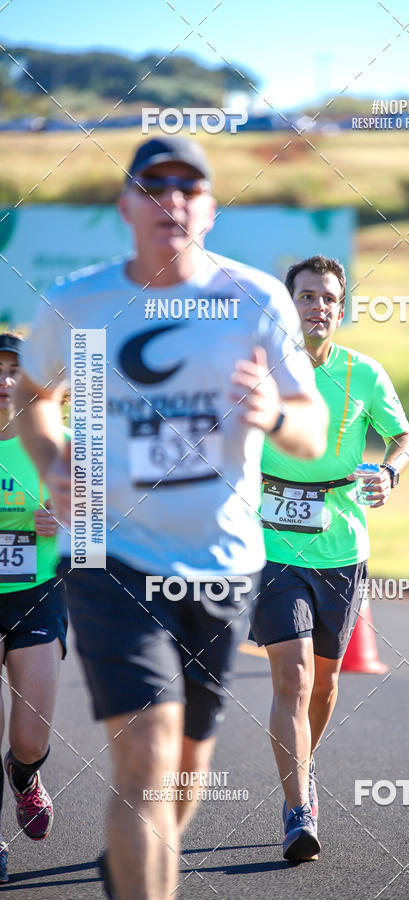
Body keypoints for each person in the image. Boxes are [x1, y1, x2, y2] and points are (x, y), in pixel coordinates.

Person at [15, 137, 327, 899]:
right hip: (110, 553)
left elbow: (310, 426)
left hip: (223, 562)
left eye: (190, 187)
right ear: (126, 207)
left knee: (185, 767)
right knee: (147, 754)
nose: (173, 200)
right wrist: (53, 457)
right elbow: (31, 394)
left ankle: (130, 863)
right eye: (154, 186)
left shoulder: (255, 298)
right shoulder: (79, 302)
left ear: (211, 210)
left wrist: (274, 416)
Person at [250, 255, 409, 861]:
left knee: (324, 683)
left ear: (339, 309)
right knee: (291, 675)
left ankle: (303, 766)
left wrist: (390, 474)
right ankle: (299, 809)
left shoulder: (364, 373)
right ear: (287, 305)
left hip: (343, 543)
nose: (318, 305)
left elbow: (403, 437)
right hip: (270, 544)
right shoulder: (261, 370)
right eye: (306, 295)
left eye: (328, 297)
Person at [0, 332, 69, 884]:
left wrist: (66, 524)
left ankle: (24, 776)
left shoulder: (59, 444)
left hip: (36, 593)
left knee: (30, 736)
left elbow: (99, 536)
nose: (4, 383)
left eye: (14, 373)